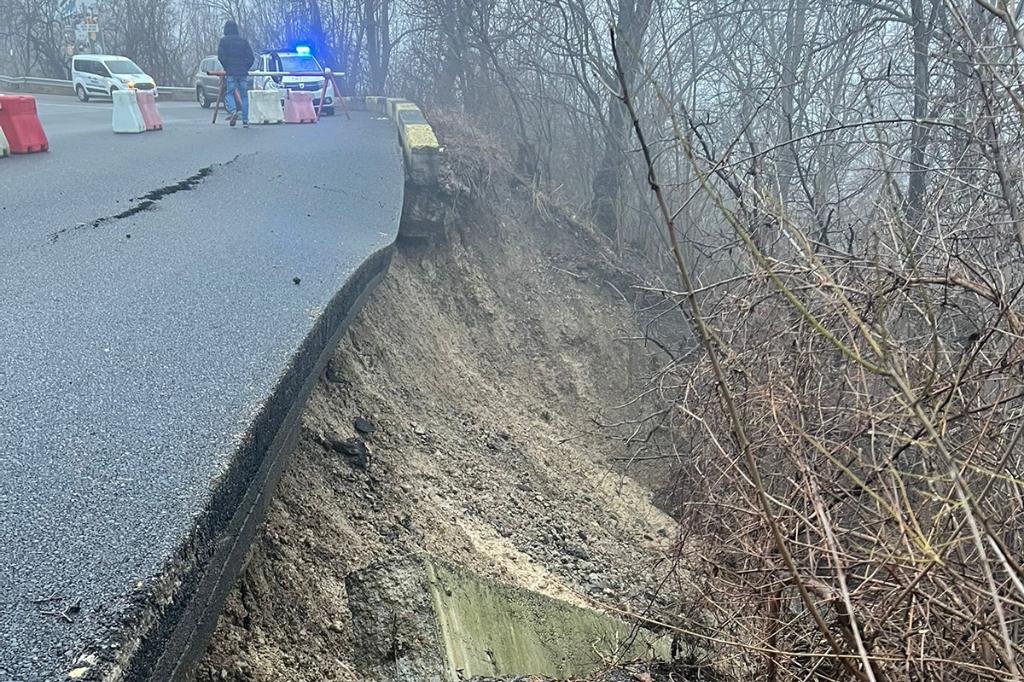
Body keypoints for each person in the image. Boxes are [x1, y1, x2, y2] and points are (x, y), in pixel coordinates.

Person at [217, 20, 254, 128]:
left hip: (231, 72)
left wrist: (227, 67)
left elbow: (221, 56)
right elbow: (251, 57)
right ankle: (245, 121)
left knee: (229, 93)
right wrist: (245, 67)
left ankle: (233, 111)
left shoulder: (224, 41)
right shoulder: (243, 41)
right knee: (244, 96)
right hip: (242, 72)